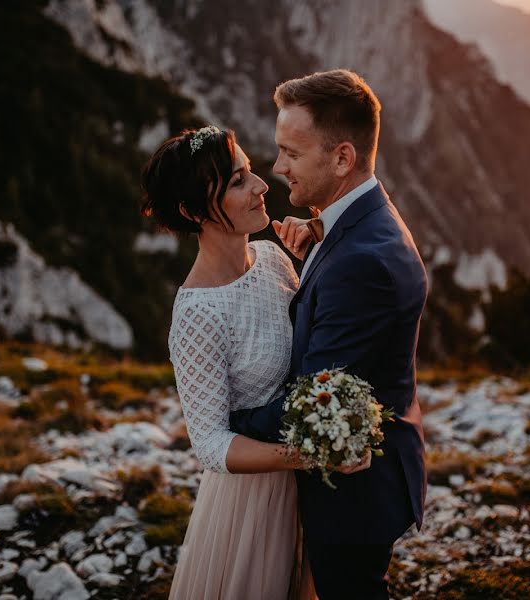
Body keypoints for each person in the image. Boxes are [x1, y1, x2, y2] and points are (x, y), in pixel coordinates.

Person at [141, 125, 366, 600]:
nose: (263, 185)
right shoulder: (197, 315)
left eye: (249, 171)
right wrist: (308, 455)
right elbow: (210, 443)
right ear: (192, 211)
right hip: (252, 505)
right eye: (239, 180)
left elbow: (311, 345)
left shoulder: (272, 258)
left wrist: (315, 256)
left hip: (314, 492)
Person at [229, 69, 428, 600]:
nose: (277, 168)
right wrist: (311, 254)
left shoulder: (359, 261)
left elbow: (314, 399)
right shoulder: (361, 223)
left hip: (354, 493)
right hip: (374, 470)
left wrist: (227, 419)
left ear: (342, 158)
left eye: (292, 153)